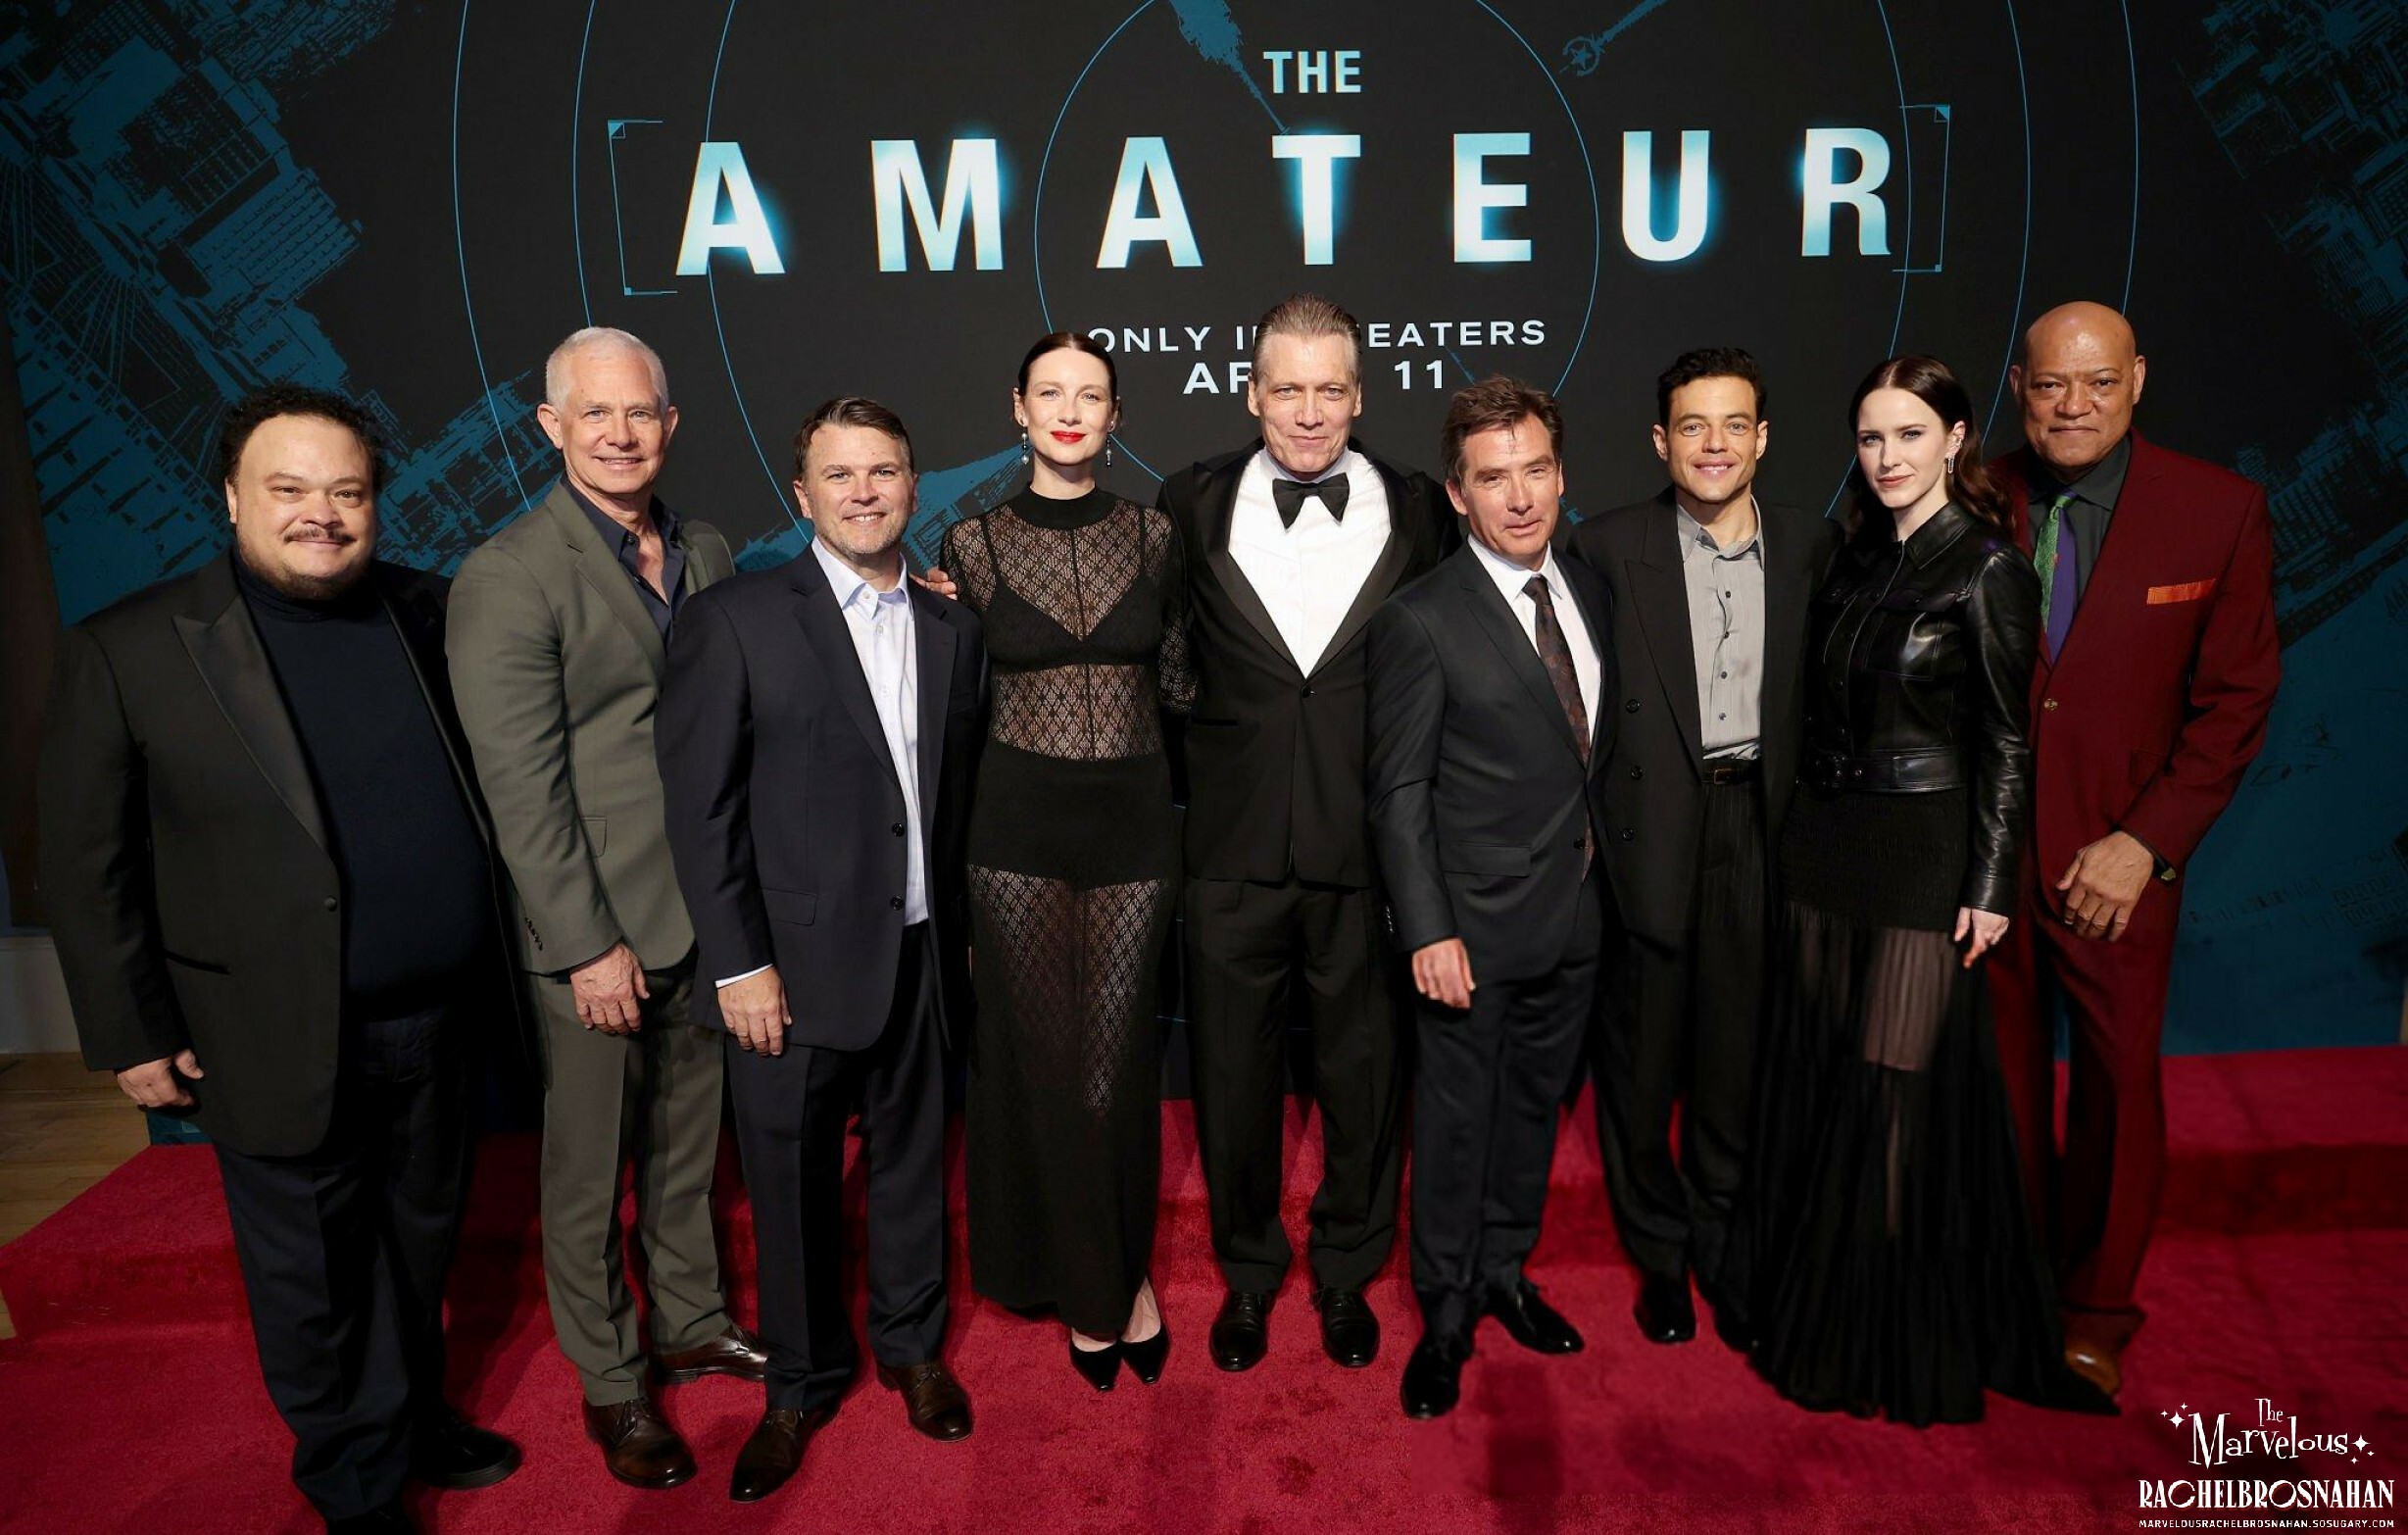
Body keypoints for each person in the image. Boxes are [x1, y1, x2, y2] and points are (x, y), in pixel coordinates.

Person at [37, 385, 521, 1533]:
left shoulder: (429, 611)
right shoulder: (129, 647)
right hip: (265, 1030)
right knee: (313, 1277)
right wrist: (132, 1030)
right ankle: (356, 1486)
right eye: (290, 489)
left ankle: (413, 1418)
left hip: (439, 1018)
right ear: (231, 497)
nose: (322, 514)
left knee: (417, 1246)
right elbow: (85, 863)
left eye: (347, 492)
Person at [1746, 355, 2111, 1425]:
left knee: (1891, 1089)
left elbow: (2006, 741)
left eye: (1909, 434)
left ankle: (1885, 1336)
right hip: (1826, 847)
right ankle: (1819, 1305)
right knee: (1825, 1076)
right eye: (1870, 438)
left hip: (1922, 855)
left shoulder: (1990, 570)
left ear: (1955, 439)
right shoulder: (1856, 555)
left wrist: (1990, 883)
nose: (1887, 457)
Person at [447, 328, 762, 1492]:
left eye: (640, 414)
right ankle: (613, 1380)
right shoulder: (509, 574)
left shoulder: (707, 548)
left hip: (703, 913)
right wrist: (585, 944)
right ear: (551, 427)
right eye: (595, 414)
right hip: (596, 932)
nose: (620, 435)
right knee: (587, 1174)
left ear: (670, 424)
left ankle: (690, 1321)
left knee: (686, 1147)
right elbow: (520, 787)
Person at [659, 397, 984, 1501]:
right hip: (786, 975)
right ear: (802, 495)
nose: (863, 492)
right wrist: (738, 964)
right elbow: (700, 811)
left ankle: (913, 1350)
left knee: (911, 1171)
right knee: (792, 1188)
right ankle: (798, 1384)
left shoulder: (951, 625)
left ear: (913, 486)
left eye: (882, 472)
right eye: (838, 475)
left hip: (921, 955)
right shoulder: (736, 619)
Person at [1987, 303, 2280, 1400]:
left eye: (2098, 383)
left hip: (2116, 862)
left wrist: (2145, 844)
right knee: (2001, 1087)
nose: (2074, 406)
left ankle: (2096, 1313)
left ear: (2138, 380)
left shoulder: (2217, 509)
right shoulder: (1972, 493)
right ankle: (2012, 1286)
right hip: (1988, 858)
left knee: (2114, 1084)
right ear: (2019, 387)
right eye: (2051, 385)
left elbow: (2236, 700)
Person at [1158, 294, 1455, 1373]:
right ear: (1253, 394)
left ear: (1360, 396)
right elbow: (1155, 649)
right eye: (1287, 388)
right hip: (1229, 847)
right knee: (1231, 1080)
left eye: (1331, 389)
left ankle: (1346, 1268)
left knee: (1365, 1076)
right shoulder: (1189, 500)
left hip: (1368, 848)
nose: (1309, 411)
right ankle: (1246, 1273)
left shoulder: (1418, 507)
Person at [1563, 348, 1841, 1352]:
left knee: (1736, 1058)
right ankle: (1661, 1255)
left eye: (1732, 425)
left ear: (1762, 438)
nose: (1713, 445)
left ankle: (1724, 1243)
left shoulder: (1813, 544)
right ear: (1660, 440)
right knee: (1640, 1069)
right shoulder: (1606, 547)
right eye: (1692, 425)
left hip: (1759, 827)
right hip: (1651, 830)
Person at [938, 334, 1189, 1389]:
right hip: (1017, 835)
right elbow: (948, 700)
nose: (1071, 410)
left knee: (1112, 1071)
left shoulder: (1156, 534)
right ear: (1020, 408)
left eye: (1091, 395)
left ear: (1115, 415)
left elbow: (1181, 683)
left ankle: (1117, 1275)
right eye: (1051, 393)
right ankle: (1099, 1295)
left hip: (1133, 827)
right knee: (1044, 1066)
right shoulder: (970, 545)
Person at [1367, 376, 1616, 1419]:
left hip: (1579, 917)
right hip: (1468, 932)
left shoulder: (1591, 586)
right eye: (1493, 478)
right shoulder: (1421, 619)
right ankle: (1444, 1315)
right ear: (1457, 494)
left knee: (1530, 1114)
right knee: (1457, 1127)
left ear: (1559, 475)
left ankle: (1507, 1273)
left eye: (1535, 471)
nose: (1519, 497)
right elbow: (1398, 791)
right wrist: (1428, 929)